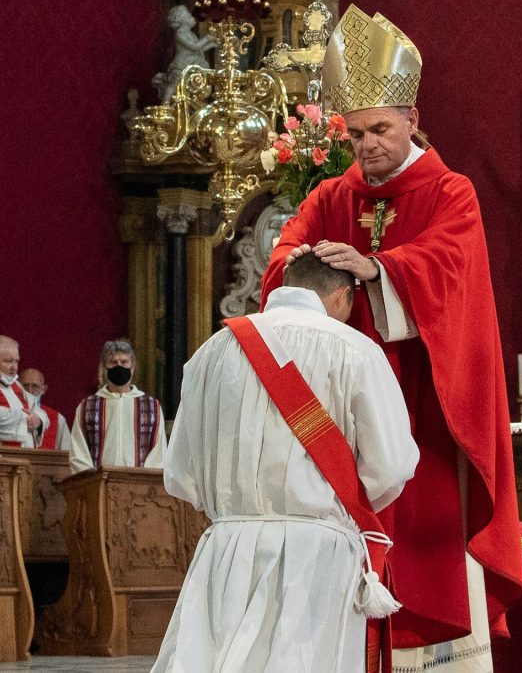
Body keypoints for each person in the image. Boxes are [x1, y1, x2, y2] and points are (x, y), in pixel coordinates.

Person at [259, 5, 522, 670]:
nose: (368, 145)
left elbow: (452, 270)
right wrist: (305, 265)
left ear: (410, 117)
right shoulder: (331, 197)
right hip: (345, 411)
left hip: (425, 407)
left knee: (426, 550)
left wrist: (378, 269)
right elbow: (282, 261)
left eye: (380, 129)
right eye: (355, 135)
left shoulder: (451, 191)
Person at [154, 253, 419, 672]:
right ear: (342, 298)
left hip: (227, 547)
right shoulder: (354, 349)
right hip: (317, 554)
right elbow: (391, 464)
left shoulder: (209, 353)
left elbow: (181, 472)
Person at [69, 340, 166, 474]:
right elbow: (78, 451)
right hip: (98, 484)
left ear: (133, 366)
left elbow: (159, 452)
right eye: (113, 362)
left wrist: (145, 479)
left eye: (124, 362)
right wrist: (90, 480)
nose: (119, 366)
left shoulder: (151, 407)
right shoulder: (87, 406)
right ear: (104, 367)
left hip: (138, 487)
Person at [20, 367, 72, 451]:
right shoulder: (8, 412)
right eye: (25, 386)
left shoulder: (58, 419)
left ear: (43, 389)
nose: (29, 391)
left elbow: (66, 454)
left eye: (35, 386)